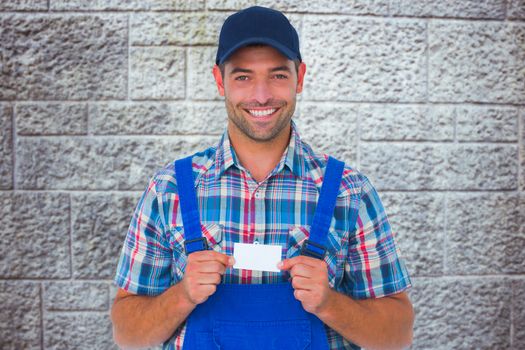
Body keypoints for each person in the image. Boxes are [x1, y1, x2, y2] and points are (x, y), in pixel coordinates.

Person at [111, 6, 414, 350]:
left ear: (299, 78)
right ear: (218, 80)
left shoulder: (349, 191)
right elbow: (127, 335)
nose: (261, 95)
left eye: (277, 75)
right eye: (243, 76)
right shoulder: (170, 190)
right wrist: (183, 295)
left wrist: (330, 303)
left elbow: (398, 335)